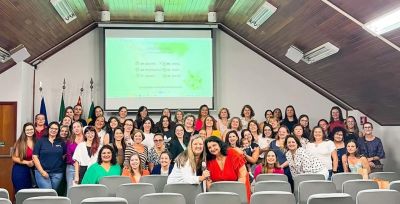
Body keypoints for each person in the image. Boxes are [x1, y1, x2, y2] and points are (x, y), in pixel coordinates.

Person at [204, 136, 251, 202]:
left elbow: (242, 177)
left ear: (219, 144)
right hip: (219, 193)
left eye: (214, 145)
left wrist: (235, 195)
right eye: (209, 147)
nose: (212, 149)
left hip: (238, 190)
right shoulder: (209, 161)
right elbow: (209, 183)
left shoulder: (233, 153)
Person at [32, 122, 66, 190]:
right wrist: (42, 172)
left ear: (58, 130)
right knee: (48, 193)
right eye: (52, 128)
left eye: (56, 129)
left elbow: (64, 155)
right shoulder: (41, 141)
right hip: (42, 172)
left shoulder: (61, 142)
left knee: (53, 193)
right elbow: (35, 157)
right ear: (48, 129)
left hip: (57, 173)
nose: (54, 130)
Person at [12, 123, 36, 192]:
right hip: (20, 170)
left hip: (34, 170)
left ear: (34, 130)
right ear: (24, 131)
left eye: (31, 129)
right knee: (21, 192)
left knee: (33, 193)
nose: (29, 131)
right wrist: (27, 162)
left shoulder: (37, 141)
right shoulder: (20, 142)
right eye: (27, 130)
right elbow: (14, 157)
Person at [65, 121, 84, 189]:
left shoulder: (86, 139)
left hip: (84, 167)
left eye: (78, 126)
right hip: (71, 167)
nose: (76, 128)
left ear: (82, 128)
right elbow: (69, 154)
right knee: (71, 188)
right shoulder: (70, 140)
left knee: (83, 188)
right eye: (74, 127)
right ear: (72, 130)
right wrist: (75, 164)